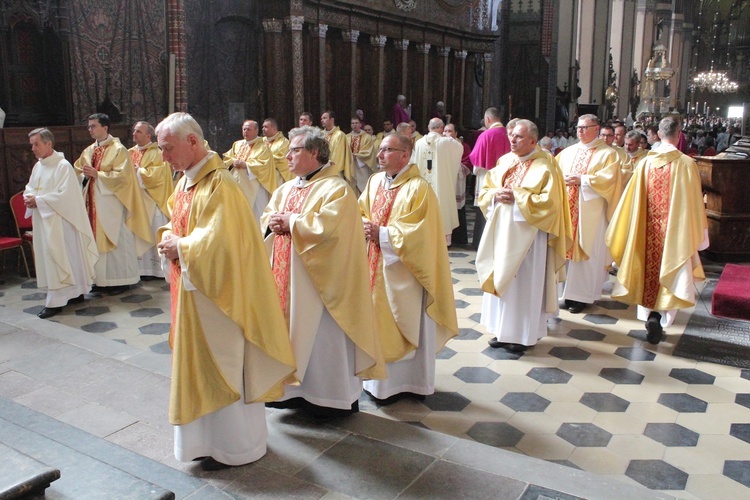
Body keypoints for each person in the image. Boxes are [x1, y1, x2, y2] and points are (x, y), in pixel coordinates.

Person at [155, 112, 295, 471]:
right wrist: (169, 239)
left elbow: (224, 243)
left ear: (192, 142)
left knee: (225, 365)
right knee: (195, 365)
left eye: (168, 148)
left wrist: (182, 248)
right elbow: (177, 223)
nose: (163, 157)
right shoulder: (186, 183)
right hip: (193, 295)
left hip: (221, 300)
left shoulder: (222, 184)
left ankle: (234, 446)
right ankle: (203, 442)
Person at [262, 125, 385, 419]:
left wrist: (291, 221)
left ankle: (328, 397)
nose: (287, 156)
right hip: (285, 278)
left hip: (319, 286)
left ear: (314, 152)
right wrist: (273, 222)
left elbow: (331, 232)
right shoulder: (286, 188)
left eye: (294, 150)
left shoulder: (337, 189)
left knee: (320, 340)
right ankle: (290, 394)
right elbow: (267, 217)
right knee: (290, 334)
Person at [359, 133, 458, 402]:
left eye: (386, 150)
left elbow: (421, 235)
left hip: (404, 273)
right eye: (379, 150)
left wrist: (382, 233)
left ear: (404, 155)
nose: (379, 155)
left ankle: (405, 384)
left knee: (400, 321)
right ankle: (374, 382)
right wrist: (364, 227)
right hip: (373, 264)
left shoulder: (419, 189)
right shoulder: (375, 181)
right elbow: (361, 213)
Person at [606, 115, 708, 344]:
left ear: (659, 135)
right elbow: (694, 203)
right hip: (675, 235)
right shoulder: (686, 164)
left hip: (645, 232)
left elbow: (630, 202)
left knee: (645, 269)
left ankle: (649, 314)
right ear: (679, 135)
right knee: (673, 268)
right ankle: (661, 317)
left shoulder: (645, 163)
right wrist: (699, 234)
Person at [476, 120, 571, 352]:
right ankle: (503, 331)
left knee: (524, 286)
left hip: (529, 237)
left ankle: (523, 336)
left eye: (519, 137)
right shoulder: (505, 161)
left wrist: (517, 198)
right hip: (501, 233)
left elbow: (550, 204)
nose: (513, 140)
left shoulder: (546, 165)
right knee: (503, 281)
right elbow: (486, 190)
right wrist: (495, 195)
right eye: (512, 136)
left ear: (532, 140)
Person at [24, 128, 98, 319]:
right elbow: (30, 187)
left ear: (49, 144)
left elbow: (66, 196)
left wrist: (38, 201)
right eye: (31, 144)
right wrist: (29, 197)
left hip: (61, 222)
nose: (33, 148)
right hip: (44, 220)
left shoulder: (63, 166)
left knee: (59, 258)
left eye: (36, 144)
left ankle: (56, 301)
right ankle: (75, 293)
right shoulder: (38, 166)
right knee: (56, 258)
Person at [74, 113, 152, 291]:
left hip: (112, 204)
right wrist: (83, 176)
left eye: (93, 126)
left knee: (117, 239)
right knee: (95, 240)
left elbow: (124, 178)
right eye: (89, 126)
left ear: (105, 128)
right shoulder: (88, 151)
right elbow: (77, 171)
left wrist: (98, 175)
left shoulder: (119, 149)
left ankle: (122, 280)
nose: (90, 129)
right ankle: (99, 280)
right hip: (92, 202)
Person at [556, 114, 622, 314]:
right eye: (578, 127)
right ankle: (564, 293)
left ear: (596, 128)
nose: (580, 131)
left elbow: (610, 180)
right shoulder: (567, 152)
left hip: (590, 214)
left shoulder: (607, 154)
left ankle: (581, 297)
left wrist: (583, 180)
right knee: (564, 251)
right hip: (567, 211)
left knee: (588, 253)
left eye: (585, 127)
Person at [129, 121, 173, 279]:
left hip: (151, 201)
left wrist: (139, 172)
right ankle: (140, 270)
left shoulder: (157, 152)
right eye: (134, 131)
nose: (134, 134)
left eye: (139, 131)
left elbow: (160, 176)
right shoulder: (129, 152)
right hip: (134, 201)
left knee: (152, 231)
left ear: (148, 135)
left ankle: (155, 270)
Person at [413, 118, 463, 245]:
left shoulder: (419, 143)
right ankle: (443, 243)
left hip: (424, 186)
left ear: (428, 127)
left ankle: (424, 240)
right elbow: (459, 149)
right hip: (442, 188)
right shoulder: (447, 143)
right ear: (441, 128)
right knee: (442, 211)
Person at [468, 107, 511, 247]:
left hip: (487, 177)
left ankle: (481, 242)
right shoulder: (510, 134)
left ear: (488, 119)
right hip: (506, 178)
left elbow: (476, 160)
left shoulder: (486, 135)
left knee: (486, 205)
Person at [222, 120, 275, 222]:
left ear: (256, 131)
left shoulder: (263, 147)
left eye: (249, 129)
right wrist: (233, 161)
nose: (246, 131)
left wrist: (246, 165)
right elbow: (227, 158)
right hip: (236, 183)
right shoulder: (237, 144)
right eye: (244, 129)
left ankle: (258, 237)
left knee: (256, 214)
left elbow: (264, 166)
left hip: (254, 185)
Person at [444, 123, 472, 245]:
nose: (446, 134)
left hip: (457, 181)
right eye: (445, 131)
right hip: (444, 182)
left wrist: (454, 167)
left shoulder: (462, 146)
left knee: (457, 208)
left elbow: (468, 161)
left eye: (450, 131)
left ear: (456, 133)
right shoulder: (440, 146)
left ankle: (459, 240)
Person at [321, 110, 355, 190]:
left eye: (325, 118)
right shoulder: (320, 134)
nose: (322, 120)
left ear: (332, 120)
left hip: (334, 172)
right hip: (321, 171)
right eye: (321, 118)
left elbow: (338, 156)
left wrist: (326, 166)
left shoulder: (339, 135)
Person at [347, 116, 376, 193]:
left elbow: (368, 151)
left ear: (360, 124)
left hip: (362, 167)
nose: (354, 125)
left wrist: (356, 156)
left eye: (356, 123)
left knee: (363, 189)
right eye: (353, 123)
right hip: (350, 166)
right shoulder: (347, 137)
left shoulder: (367, 137)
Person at [262, 118, 293, 185]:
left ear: (274, 129)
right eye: (263, 127)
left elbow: (282, 160)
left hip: (276, 175)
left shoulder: (284, 142)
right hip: (261, 175)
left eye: (266, 127)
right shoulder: (261, 141)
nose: (263, 129)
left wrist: (263, 160)